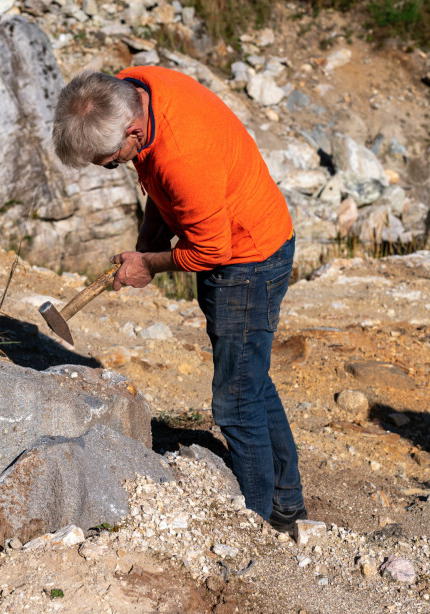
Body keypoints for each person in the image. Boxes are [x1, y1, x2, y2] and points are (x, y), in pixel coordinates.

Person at [52, 66, 307, 531]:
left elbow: (211, 250)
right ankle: (286, 501)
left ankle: (258, 526)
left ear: (133, 129)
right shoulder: (135, 87)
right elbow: (159, 183)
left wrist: (148, 265)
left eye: (111, 160)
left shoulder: (183, 155)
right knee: (249, 377)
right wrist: (146, 242)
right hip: (235, 232)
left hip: (248, 258)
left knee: (234, 398)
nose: (114, 167)